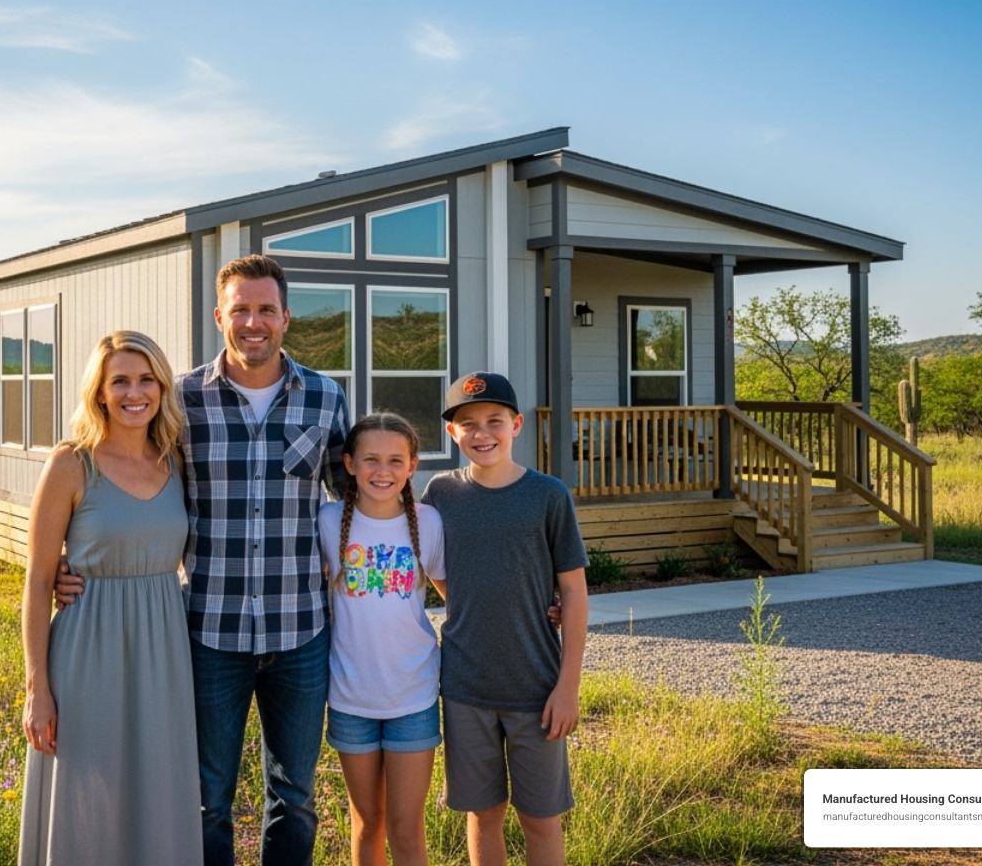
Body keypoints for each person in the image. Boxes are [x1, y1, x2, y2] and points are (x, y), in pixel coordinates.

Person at [55, 254, 350, 866]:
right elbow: (128, 479)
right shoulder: (180, 400)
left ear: (287, 317)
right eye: (240, 309)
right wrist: (74, 559)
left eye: (266, 309)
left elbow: (359, 496)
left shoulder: (326, 398)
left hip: (301, 631)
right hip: (208, 633)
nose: (253, 322)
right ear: (219, 316)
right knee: (207, 799)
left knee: (294, 797)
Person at [18, 331, 202, 866]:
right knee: (86, 794)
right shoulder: (72, 464)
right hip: (86, 651)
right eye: (119, 380)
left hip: (164, 652)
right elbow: (35, 580)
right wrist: (38, 690)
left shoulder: (175, 461)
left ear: (163, 387)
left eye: (146, 379)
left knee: (158, 791)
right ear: (99, 391)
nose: (134, 392)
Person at [420, 371, 589, 866]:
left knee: (540, 818)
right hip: (466, 686)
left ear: (516, 425)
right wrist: (467, 598)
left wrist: (568, 686)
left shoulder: (548, 495)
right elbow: (436, 566)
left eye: (494, 421)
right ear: (453, 433)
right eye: (468, 423)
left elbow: (574, 592)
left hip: (535, 686)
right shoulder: (440, 494)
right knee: (482, 814)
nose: (482, 433)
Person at [317, 413, 446, 866]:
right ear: (349, 464)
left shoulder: (428, 522)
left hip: (413, 695)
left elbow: (459, 598)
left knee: (406, 827)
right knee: (367, 822)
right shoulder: (328, 522)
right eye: (370, 459)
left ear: (412, 466)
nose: (382, 470)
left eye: (395, 460)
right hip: (351, 697)